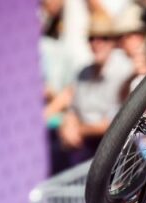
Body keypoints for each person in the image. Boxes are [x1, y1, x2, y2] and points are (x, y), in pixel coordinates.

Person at [57, 16, 134, 163]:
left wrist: (78, 130)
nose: (96, 43)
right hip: (84, 146)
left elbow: (117, 123)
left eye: (103, 38)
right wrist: (67, 125)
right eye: (91, 38)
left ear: (113, 42)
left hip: (117, 150)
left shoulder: (126, 71)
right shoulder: (83, 73)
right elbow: (73, 110)